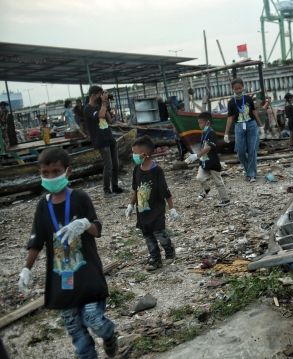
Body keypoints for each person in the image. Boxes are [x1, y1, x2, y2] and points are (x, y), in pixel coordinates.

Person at [18, 147, 118, 359]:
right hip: (61, 281)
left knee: (94, 320)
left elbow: (97, 229)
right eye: (45, 173)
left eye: (56, 171)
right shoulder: (42, 207)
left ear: (68, 171)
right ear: (40, 174)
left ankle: (109, 334)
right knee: (76, 333)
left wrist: (84, 224)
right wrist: (26, 269)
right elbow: (36, 241)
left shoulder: (80, 198)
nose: (51, 177)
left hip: (87, 276)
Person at [125, 135, 179, 271]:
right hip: (142, 212)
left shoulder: (157, 171)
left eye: (135, 153)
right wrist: (131, 205)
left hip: (156, 211)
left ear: (144, 154)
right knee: (148, 236)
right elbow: (136, 189)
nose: (134, 156)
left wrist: (172, 209)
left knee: (160, 234)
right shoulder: (137, 170)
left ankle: (169, 249)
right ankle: (155, 259)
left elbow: (166, 191)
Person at [84, 86, 123, 196]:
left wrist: (106, 105)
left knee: (116, 164)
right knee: (108, 166)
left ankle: (115, 187)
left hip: (109, 137)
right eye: (99, 94)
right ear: (92, 95)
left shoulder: (100, 106)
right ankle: (106, 189)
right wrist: (104, 103)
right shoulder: (88, 109)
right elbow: (100, 115)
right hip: (100, 140)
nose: (100, 97)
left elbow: (109, 120)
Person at [185, 112, 230, 207]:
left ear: (208, 123)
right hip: (204, 161)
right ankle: (206, 189)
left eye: (201, 123)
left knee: (218, 182)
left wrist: (197, 155)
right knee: (200, 177)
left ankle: (225, 199)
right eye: (199, 123)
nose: (199, 125)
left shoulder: (212, 134)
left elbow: (209, 147)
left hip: (213, 162)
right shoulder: (203, 133)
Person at [224, 78, 265, 182]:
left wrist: (260, 126)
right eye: (236, 89)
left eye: (240, 88)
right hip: (239, 126)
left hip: (251, 124)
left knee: (252, 150)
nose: (238, 90)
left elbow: (254, 112)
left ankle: (252, 175)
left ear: (243, 87)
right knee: (240, 151)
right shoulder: (231, 102)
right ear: (232, 89)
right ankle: (249, 171)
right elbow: (230, 118)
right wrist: (226, 133)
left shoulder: (248, 99)